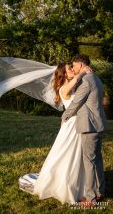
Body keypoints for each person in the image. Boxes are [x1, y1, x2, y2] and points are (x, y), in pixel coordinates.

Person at [19, 61, 92, 204]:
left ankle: (80, 184)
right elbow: (77, 80)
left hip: (78, 122)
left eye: (71, 68)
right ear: (64, 74)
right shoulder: (63, 89)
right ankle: (64, 185)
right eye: (69, 69)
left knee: (78, 154)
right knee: (67, 153)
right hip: (72, 124)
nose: (72, 69)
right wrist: (85, 71)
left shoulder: (73, 84)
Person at [61, 54, 106, 206]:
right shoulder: (96, 78)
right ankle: (100, 191)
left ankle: (91, 199)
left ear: (80, 65)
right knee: (97, 160)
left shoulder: (86, 81)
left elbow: (76, 102)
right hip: (98, 124)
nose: (73, 68)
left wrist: (64, 116)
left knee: (89, 162)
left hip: (89, 126)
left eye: (74, 66)